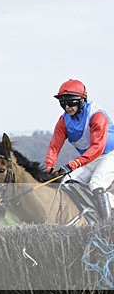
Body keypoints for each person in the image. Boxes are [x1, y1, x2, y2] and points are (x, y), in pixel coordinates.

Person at [44, 79, 114, 222]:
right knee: (67, 184)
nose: (67, 107)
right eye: (63, 103)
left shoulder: (97, 115)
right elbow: (55, 145)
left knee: (96, 184)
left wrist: (74, 164)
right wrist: (49, 166)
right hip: (90, 158)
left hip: (109, 154)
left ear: (82, 100)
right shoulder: (63, 120)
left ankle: (107, 227)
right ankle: (86, 218)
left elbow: (97, 147)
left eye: (71, 103)